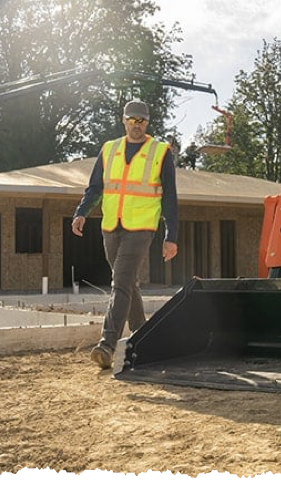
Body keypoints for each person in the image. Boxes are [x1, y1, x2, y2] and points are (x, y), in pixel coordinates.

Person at [71, 100, 179, 369]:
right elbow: (95, 186)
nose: (136, 125)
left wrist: (171, 235)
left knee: (120, 282)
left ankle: (107, 345)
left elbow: (171, 199)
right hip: (111, 226)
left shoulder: (161, 152)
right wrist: (82, 211)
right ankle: (144, 337)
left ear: (147, 122)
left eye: (141, 120)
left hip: (141, 228)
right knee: (128, 283)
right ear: (123, 120)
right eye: (132, 119)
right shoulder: (109, 149)